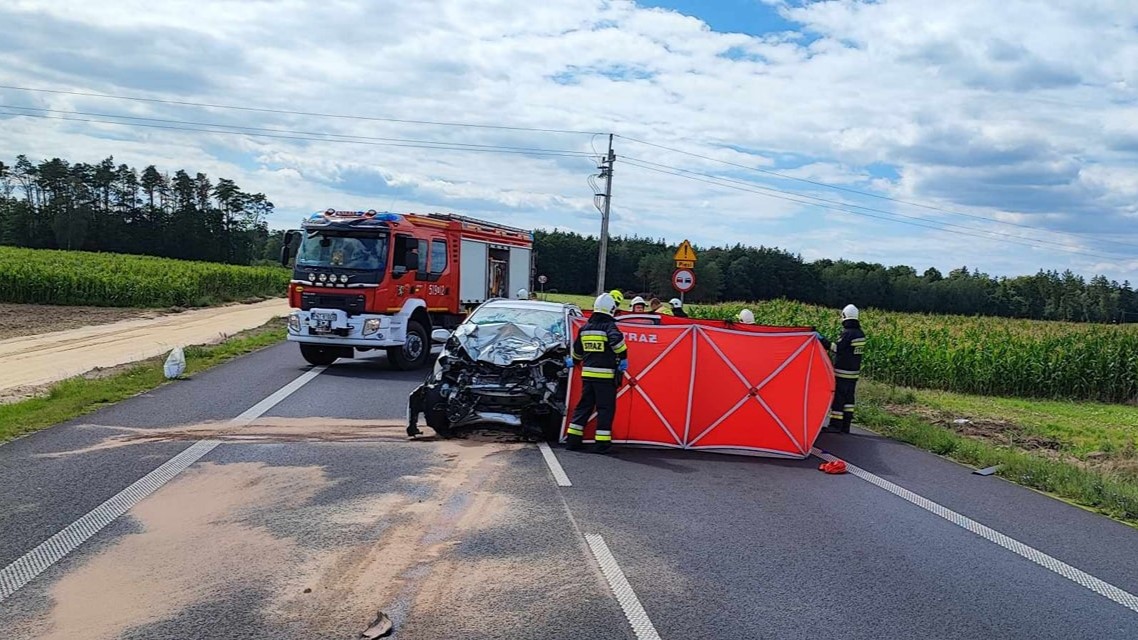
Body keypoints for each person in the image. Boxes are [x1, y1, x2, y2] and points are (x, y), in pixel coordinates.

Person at [564, 293, 628, 454]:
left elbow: (577, 352)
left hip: (587, 376)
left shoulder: (585, 328)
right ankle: (602, 444)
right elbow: (618, 345)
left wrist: (575, 361)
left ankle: (572, 440)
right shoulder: (609, 327)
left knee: (583, 407)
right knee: (605, 409)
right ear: (611, 309)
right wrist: (623, 357)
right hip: (605, 378)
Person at [815, 304, 866, 434]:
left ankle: (835, 425)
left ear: (844, 316)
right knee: (849, 401)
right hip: (853, 374)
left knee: (838, 399)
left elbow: (836, 348)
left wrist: (821, 340)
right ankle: (846, 425)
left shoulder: (847, 334)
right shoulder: (860, 333)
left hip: (842, 373)